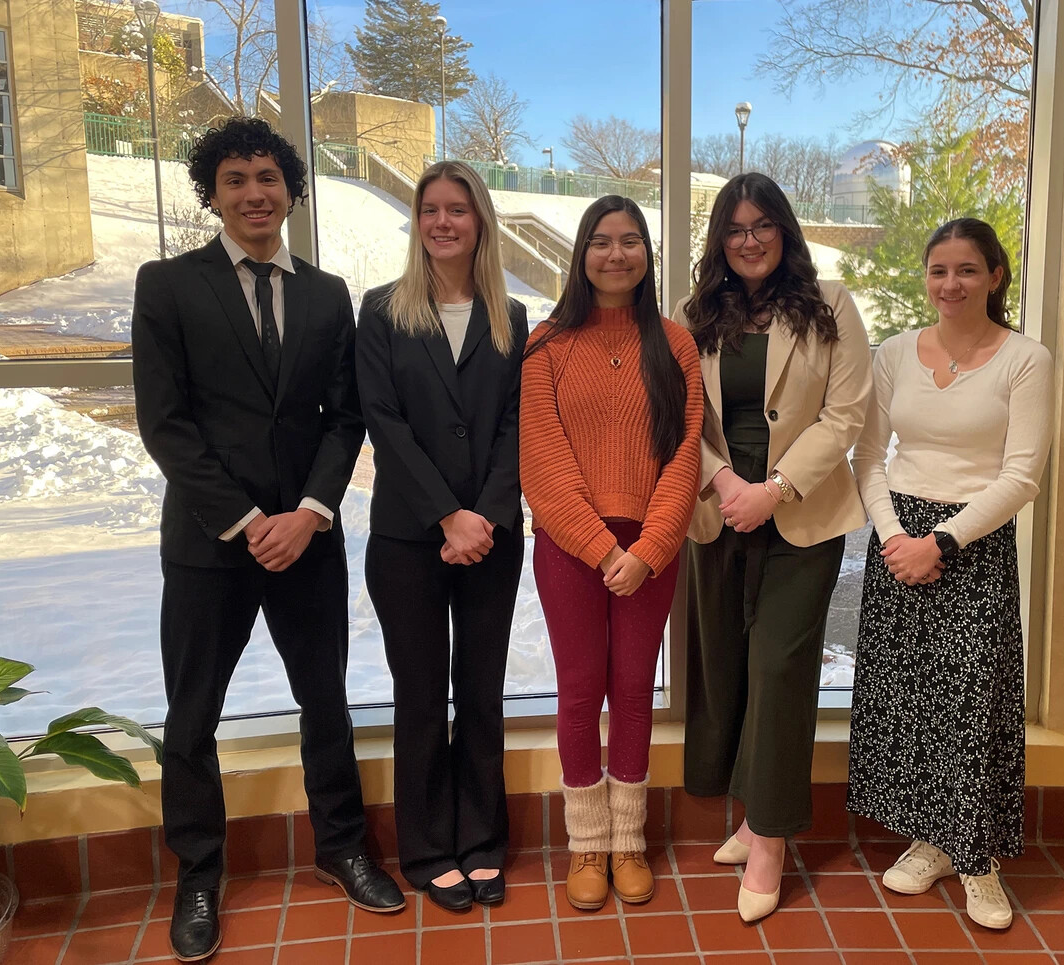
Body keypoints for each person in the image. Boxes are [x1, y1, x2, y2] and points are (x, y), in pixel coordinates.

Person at [131, 117, 404, 962]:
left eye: (268, 178)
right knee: (192, 716)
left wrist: (313, 511)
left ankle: (342, 845)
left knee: (325, 700)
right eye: (236, 179)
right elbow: (166, 426)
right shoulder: (168, 285)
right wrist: (249, 522)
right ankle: (200, 871)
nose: (254, 193)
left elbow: (344, 416)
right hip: (212, 544)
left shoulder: (327, 295)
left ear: (291, 190)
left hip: (308, 541)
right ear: (211, 193)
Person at [675, 172, 872, 923]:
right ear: (720, 240)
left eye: (762, 225)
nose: (749, 239)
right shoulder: (695, 317)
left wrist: (774, 488)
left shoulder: (831, 307)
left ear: (784, 231)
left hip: (802, 517)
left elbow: (846, 414)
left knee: (780, 667)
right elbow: (678, 415)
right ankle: (750, 809)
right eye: (734, 227)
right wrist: (726, 480)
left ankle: (769, 838)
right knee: (726, 667)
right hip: (718, 509)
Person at [847, 217, 1052, 930]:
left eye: (967, 269)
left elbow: (1023, 475)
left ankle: (978, 858)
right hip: (897, 535)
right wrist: (896, 534)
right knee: (909, 695)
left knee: (970, 701)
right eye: (939, 270)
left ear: (994, 274)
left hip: (974, 539)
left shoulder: (1025, 358)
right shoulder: (895, 353)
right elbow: (868, 454)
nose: (950, 284)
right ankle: (932, 839)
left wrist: (944, 540)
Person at [520, 195, 702, 911]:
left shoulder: (675, 343)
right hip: (571, 547)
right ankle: (585, 844)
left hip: (651, 551)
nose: (616, 254)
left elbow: (685, 454)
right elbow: (542, 460)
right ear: (581, 253)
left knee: (632, 689)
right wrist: (602, 549)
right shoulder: (548, 343)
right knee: (578, 690)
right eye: (602, 240)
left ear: (648, 255)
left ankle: (628, 840)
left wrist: (651, 547)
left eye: (631, 241)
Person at [356, 160, 528, 911]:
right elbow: (383, 423)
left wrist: (484, 514)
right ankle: (427, 846)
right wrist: (445, 514)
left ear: (480, 221)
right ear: (418, 220)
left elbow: (521, 425)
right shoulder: (382, 309)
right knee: (421, 696)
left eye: (458, 208)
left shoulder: (511, 316)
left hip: (493, 537)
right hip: (407, 537)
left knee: (482, 693)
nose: (443, 221)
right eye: (431, 208)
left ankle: (484, 839)